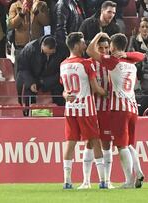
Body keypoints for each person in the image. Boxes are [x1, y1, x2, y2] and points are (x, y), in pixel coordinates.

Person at [87, 32, 145, 189]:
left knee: (121, 145)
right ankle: (138, 172)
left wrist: (98, 34)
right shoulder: (131, 63)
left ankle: (128, 181)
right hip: (133, 107)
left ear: (113, 46)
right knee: (130, 144)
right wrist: (126, 53)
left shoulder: (113, 62)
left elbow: (90, 51)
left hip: (119, 108)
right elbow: (142, 56)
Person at [60, 32, 107, 189]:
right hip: (86, 109)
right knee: (95, 141)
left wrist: (66, 95)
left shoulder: (63, 64)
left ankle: (67, 181)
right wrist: (106, 92)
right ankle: (103, 181)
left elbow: (64, 90)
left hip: (70, 109)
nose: (85, 45)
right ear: (75, 45)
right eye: (82, 43)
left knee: (70, 143)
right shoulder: (86, 64)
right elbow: (95, 88)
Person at [76, 36, 115, 189]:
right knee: (89, 143)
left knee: (106, 143)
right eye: (101, 48)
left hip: (107, 109)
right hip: (91, 109)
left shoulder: (111, 63)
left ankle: (107, 180)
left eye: (106, 48)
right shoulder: (88, 64)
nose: (104, 51)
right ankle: (86, 181)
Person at [16, 35, 66, 112]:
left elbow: (64, 70)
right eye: (45, 53)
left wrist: (48, 81)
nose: (48, 55)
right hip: (34, 76)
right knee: (28, 90)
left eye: (51, 54)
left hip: (53, 78)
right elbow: (23, 68)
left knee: (59, 91)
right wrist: (31, 82)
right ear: (42, 45)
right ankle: (28, 112)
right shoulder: (30, 48)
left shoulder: (63, 49)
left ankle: (59, 113)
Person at [8, 0, 50, 76]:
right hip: (21, 47)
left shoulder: (42, 5)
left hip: (37, 47)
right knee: (20, 75)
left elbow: (46, 22)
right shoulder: (15, 6)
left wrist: (37, 11)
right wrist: (21, 14)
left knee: (36, 74)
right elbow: (11, 25)